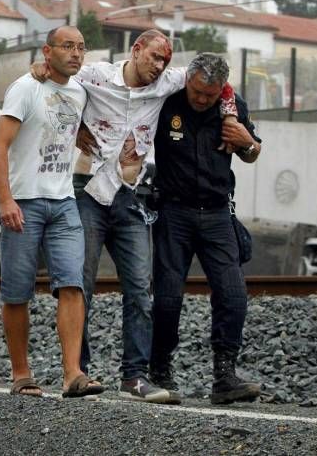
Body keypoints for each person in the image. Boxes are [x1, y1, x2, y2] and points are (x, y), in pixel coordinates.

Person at [32, 29, 240, 403]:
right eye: (153, 58)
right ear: (136, 50)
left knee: (140, 290)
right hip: (89, 192)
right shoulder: (96, 75)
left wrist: (230, 110)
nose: (159, 67)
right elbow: (57, 78)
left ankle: (136, 376)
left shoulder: (170, 81)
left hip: (131, 196)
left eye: (165, 60)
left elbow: (220, 83)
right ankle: (78, 371)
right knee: (81, 286)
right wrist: (44, 71)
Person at [0, 25, 103, 399]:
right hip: (25, 201)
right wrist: (6, 200)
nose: (75, 53)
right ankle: (22, 374)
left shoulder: (79, 92)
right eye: (67, 46)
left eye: (81, 47)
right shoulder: (25, 88)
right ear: (47, 51)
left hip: (64, 201)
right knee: (18, 292)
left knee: (73, 284)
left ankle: (73, 374)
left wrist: (85, 133)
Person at [150, 53, 262, 405]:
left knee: (233, 295)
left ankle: (225, 376)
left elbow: (251, 153)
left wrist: (248, 141)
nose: (202, 100)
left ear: (221, 91)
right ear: (189, 81)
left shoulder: (233, 106)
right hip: (174, 212)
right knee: (167, 297)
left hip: (217, 213)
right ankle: (160, 370)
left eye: (210, 96)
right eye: (197, 92)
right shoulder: (165, 100)